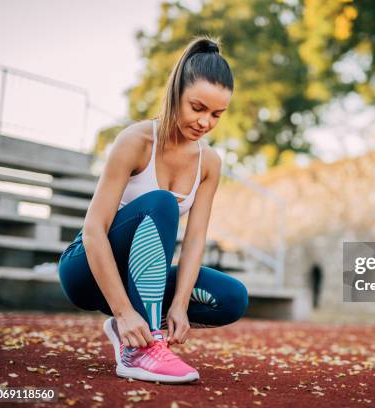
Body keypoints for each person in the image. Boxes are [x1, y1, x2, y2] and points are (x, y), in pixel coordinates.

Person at [57, 36, 248, 384]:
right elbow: (93, 231)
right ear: (176, 93)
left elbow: (193, 242)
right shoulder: (136, 141)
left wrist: (178, 304)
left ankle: (131, 330)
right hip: (87, 269)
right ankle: (140, 349)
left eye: (216, 114)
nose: (205, 122)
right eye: (198, 107)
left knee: (232, 298)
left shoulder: (210, 163)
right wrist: (124, 310)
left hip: (140, 279)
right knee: (162, 202)